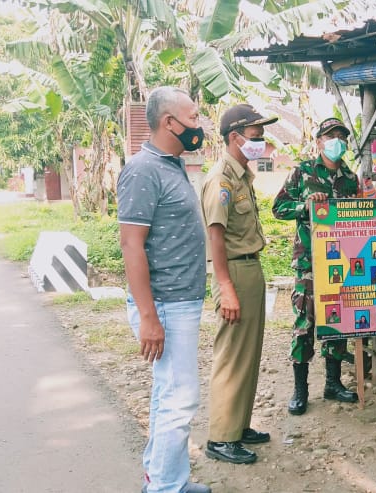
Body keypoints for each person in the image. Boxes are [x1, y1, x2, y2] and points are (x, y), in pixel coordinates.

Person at [117, 86, 211, 493]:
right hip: (166, 304)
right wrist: (149, 317)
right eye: (193, 117)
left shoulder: (171, 165)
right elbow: (131, 244)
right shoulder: (143, 170)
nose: (198, 124)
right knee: (180, 400)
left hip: (179, 301)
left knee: (167, 396)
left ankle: (164, 479)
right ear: (169, 122)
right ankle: (165, 488)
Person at [197, 104, 277, 465]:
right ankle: (221, 437)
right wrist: (226, 287)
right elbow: (216, 236)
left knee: (249, 353)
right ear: (235, 137)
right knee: (231, 356)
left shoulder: (242, 175)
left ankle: (239, 426)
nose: (261, 141)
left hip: (249, 268)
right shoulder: (222, 179)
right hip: (234, 272)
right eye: (256, 135)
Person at [272, 117, 361, 416]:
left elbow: (357, 218)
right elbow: (278, 208)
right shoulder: (303, 172)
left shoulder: (351, 178)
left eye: (342, 136)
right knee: (305, 322)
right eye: (331, 136)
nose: (337, 141)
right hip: (309, 261)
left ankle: (333, 384)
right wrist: (306, 205)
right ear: (319, 141)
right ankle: (301, 390)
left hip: (341, 261)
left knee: (338, 318)